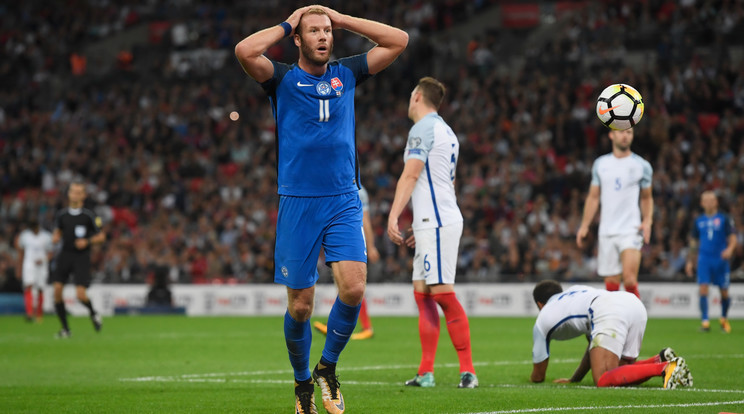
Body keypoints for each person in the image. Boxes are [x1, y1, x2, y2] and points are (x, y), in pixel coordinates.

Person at [235, 6, 407, 414]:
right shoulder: (280, 79)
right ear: (298, 38)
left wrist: (342, 18)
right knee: (300, 306)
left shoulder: (347, 73)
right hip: (297, 202)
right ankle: (301, 386)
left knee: (354, 288)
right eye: (314, 31)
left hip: (344, 198)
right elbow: (244, 50)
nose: (323, 36)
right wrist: (287, 23)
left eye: (327, 31)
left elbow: (398, 40)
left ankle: (327, 369)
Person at [387, 77, 478, 389]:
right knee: (423, 294)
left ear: (416, 96)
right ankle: (426, 372)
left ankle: (468, 371)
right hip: (434, 218)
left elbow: (411, 174)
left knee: (441, 294)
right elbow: (446, 183)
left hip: (437, 221)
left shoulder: (423, 128)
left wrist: (394, 214)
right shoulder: (447, 131)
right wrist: (421, 220)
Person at [530, 280, 693, 388]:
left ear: (540, 304)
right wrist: (575, 379)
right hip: (632, 303)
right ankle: (660, 359)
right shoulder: (575, 292)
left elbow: (538, 376)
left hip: (607, 309)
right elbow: (593, 346)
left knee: (603, 378)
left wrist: (533, 378)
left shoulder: (543, 317)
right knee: (620, 372)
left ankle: (666, 368)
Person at [576, 128, 653, 298]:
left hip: (630, 229)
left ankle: (636, 323)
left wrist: (647, 221)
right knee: (611, 283)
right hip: (607, 230)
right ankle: (615, 322)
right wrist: (584, 225)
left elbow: (647, 198)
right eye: (621, 132)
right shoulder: (600, 164)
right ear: (611, 135)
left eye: (630, 132)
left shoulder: (642, 166)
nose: (625, 136)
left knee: (630, 280)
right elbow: (593, 197)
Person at [314, 186, 379, 340]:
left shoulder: (354, 190)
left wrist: (370, 246)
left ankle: (363, 327)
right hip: (350, 241)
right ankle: (338, 326)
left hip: (351, 242)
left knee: (350, 285)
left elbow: (365, 220)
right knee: (346, 286)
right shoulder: (355, 188)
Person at [51, 181, 106, 338]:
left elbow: (101, 236)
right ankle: (65, 329)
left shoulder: (89, 215)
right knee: (57, 291)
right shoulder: (62, 215)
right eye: (72, 191)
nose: (75, 194)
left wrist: (88, 242)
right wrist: (55, 238)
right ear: (68, 194)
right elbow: (57, 232)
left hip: (81, 257)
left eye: (78, 192)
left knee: (80, 295)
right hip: (65, 255)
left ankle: (93, 313)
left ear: (83, 195)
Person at [685, 191, 737, 333]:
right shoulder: (698, 221)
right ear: (701, 203)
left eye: (711, 200)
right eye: (705, 200)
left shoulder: (724, 218)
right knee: (703, 288)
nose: (708, 202)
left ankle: (724, 319)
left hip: (720, 259)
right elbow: (694, 242)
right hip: (704, 259)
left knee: (724, 291)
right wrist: (690, 261)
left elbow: (733, 236)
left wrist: (730, 250)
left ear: (716, 202)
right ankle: (705, 321)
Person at [15, 218, 53, 322]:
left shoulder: (46, 236)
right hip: (29, 264)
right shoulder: (24, 236)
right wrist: (19, 267)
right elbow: (21, 251)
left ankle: (39, 314)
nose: (34, 230)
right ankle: (29, 313)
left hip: (42, 265)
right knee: (28, 286)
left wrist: (44, 259)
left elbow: (50, 253)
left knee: (40, 288)